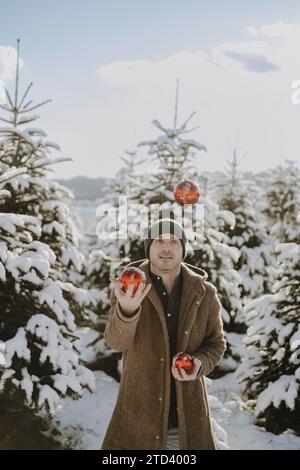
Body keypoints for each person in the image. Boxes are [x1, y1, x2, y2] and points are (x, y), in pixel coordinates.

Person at [100, 218, 226, 450]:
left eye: (174, 242)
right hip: (139, 418)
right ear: (149, 246)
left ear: (183, 249)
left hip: (188, 418)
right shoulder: (129, 286)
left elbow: (216, 344)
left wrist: (198, 363)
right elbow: (116, 342)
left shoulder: (204, 293)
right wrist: (127, 310)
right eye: (159, 241)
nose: (166, 248)